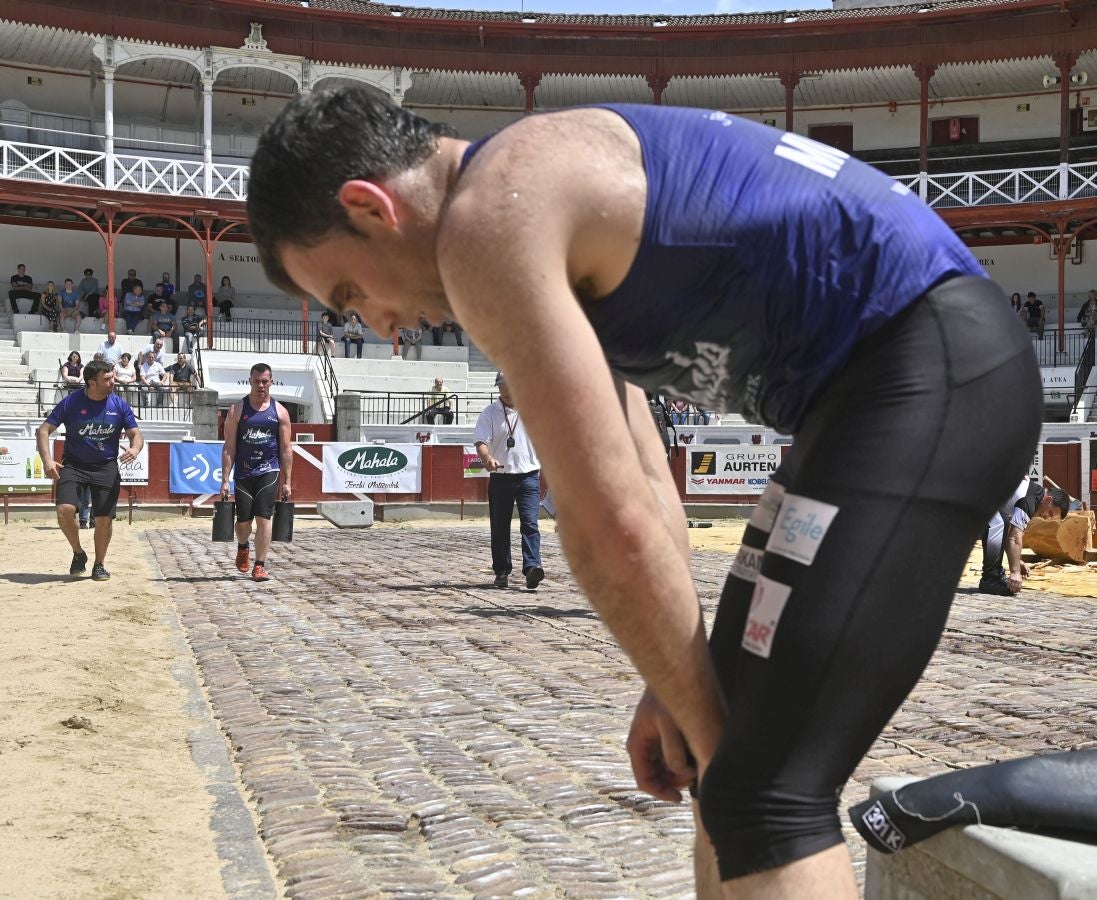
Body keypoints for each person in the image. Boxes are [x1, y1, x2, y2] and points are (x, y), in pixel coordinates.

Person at [246, 88, 1041, 897]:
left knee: (759, 792)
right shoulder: (530, 189)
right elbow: (638, 475)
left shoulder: (488, 221)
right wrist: (675, 687)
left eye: (349, 294)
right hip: (874, 388)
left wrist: (705, 726)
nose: (378, 325)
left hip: (928, 368)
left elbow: (607, 528)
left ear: (369, 208)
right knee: (722, 774)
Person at [36, 357, 143, 581]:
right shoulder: (71, 402)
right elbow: (44, 430)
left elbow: (136, 434)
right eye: (107, 378)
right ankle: (78, 552)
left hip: (106, 467)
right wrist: (47, 461)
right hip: (73, 465)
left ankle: (99, 564)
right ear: (91, 383)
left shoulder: (119, 404)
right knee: (64, 510)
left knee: (104, 518)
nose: (113, 381)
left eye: (113, 377)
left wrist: (135, 448)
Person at [220, 363, 292, 582]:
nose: (261, 385)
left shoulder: (280, 412)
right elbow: (229, 447)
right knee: (243, 522)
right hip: (244, 472)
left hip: (269, 470)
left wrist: (287, 481)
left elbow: (286, 448)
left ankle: (260, 565)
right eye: (257, 381)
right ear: (250, 380)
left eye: (265, 381)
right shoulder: (237, 410)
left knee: (264, 518)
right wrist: (225, 480)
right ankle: (243, 547)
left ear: (271, 381)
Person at [473, 372, 544, 590]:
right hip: (501, 477)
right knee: (500, 526)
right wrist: (487, 458)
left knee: (530, 523)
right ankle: (502, 571)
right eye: (501, 386)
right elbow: (481, 442)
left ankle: (532, 567)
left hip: (529, 475)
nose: (505, 390)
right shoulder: (490, 413)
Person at [980, 477, 1070, 596]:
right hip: (979, 492)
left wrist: (1017, 561)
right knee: (999, 523)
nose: (1046, 517)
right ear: (1048, 499)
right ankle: (990, 579)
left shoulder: (1032, 495)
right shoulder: (1030, 500)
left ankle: (993, 576)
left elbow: (1007, 536)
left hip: (983, 494)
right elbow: (1014, 538)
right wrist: (1015, 572)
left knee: (1001, 523)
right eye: (1050, 513)